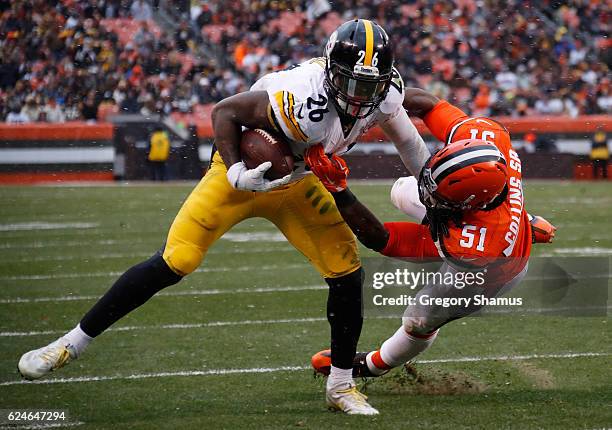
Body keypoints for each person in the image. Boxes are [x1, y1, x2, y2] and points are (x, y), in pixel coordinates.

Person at [18, 20, 430, 416]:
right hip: (240, 178)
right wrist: (236, 170)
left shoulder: (387, 94)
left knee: (346, 271)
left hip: (301, 181)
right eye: (351, 82)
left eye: (368, 86)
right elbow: (225, 112)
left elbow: (410, 143)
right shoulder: (304, 98)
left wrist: (431, 192)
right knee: (176, 260)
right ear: (329, 71)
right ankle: (68, 344)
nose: (359, 95)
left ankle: (340, 385)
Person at [307, 89, 556, 382]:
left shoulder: (473, 245)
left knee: (418, 319)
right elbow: (428, 104)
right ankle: (523, 222)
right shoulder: (485, 136)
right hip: (491, 223)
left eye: (443, 198)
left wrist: (339, 190)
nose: (430, 193)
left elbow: (385, 240)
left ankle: (373, 365)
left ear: (468, 205)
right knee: (402, 190)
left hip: (489, 273)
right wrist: (382, 97)